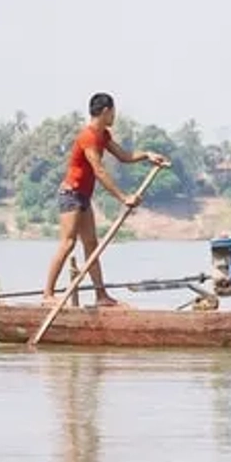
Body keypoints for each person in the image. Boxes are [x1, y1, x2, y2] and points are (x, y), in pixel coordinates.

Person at [42, 92, 167, 307]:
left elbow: (124, 156)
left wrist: (148, 155)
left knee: (92, 245)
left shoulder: (103, 136)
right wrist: (123, 198)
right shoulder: (88, 136)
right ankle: (48, 294)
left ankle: (101, 296)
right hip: (70, 194)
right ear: (106, 111)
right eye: (114, 112)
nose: (115, 116)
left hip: (83, 197)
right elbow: (99, 171)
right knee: (68, 243)